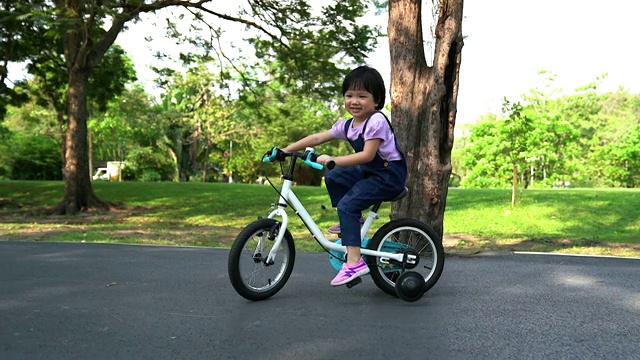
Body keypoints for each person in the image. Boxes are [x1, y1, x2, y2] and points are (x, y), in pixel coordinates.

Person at [282, 65, 407, 286]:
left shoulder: (376, 121)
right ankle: (353, 220)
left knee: (346, 204)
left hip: (388, 175)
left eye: (362, 96)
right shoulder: (348, 125)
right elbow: (316, 138)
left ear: (376, 100)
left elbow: (367, 155)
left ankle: (355, 262)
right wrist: (285, 150)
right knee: (334, 177)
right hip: (371, 173)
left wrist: (333, 160)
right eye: (349, 95)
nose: (354, 101)